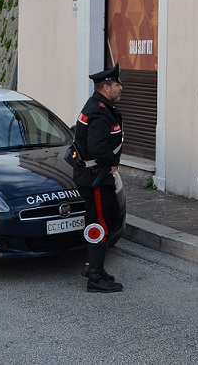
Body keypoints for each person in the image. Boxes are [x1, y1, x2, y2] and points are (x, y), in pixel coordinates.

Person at [72, 63, 124, 293]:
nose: (121, 88)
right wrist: (112, 162)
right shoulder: (99, 112)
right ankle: (95, 277)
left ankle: (94, 266)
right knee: (100, 224)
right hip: (95, 177)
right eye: (117, 84)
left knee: (103, 220)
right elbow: (96, 147)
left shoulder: (101, 106)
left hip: (96, 175)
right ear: (105, 87)